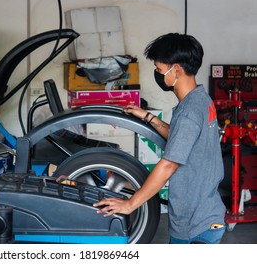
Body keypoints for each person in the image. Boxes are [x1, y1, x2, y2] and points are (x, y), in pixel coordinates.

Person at [93, 33, 226, 244]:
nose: (157, 74)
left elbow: (168, 165)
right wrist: (148, 117)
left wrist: (130, 204)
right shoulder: (201, 100)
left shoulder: (189, 112)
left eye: (159, 69)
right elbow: (181, 139)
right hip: (205, 214)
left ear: (177, 70)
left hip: (194, 226)